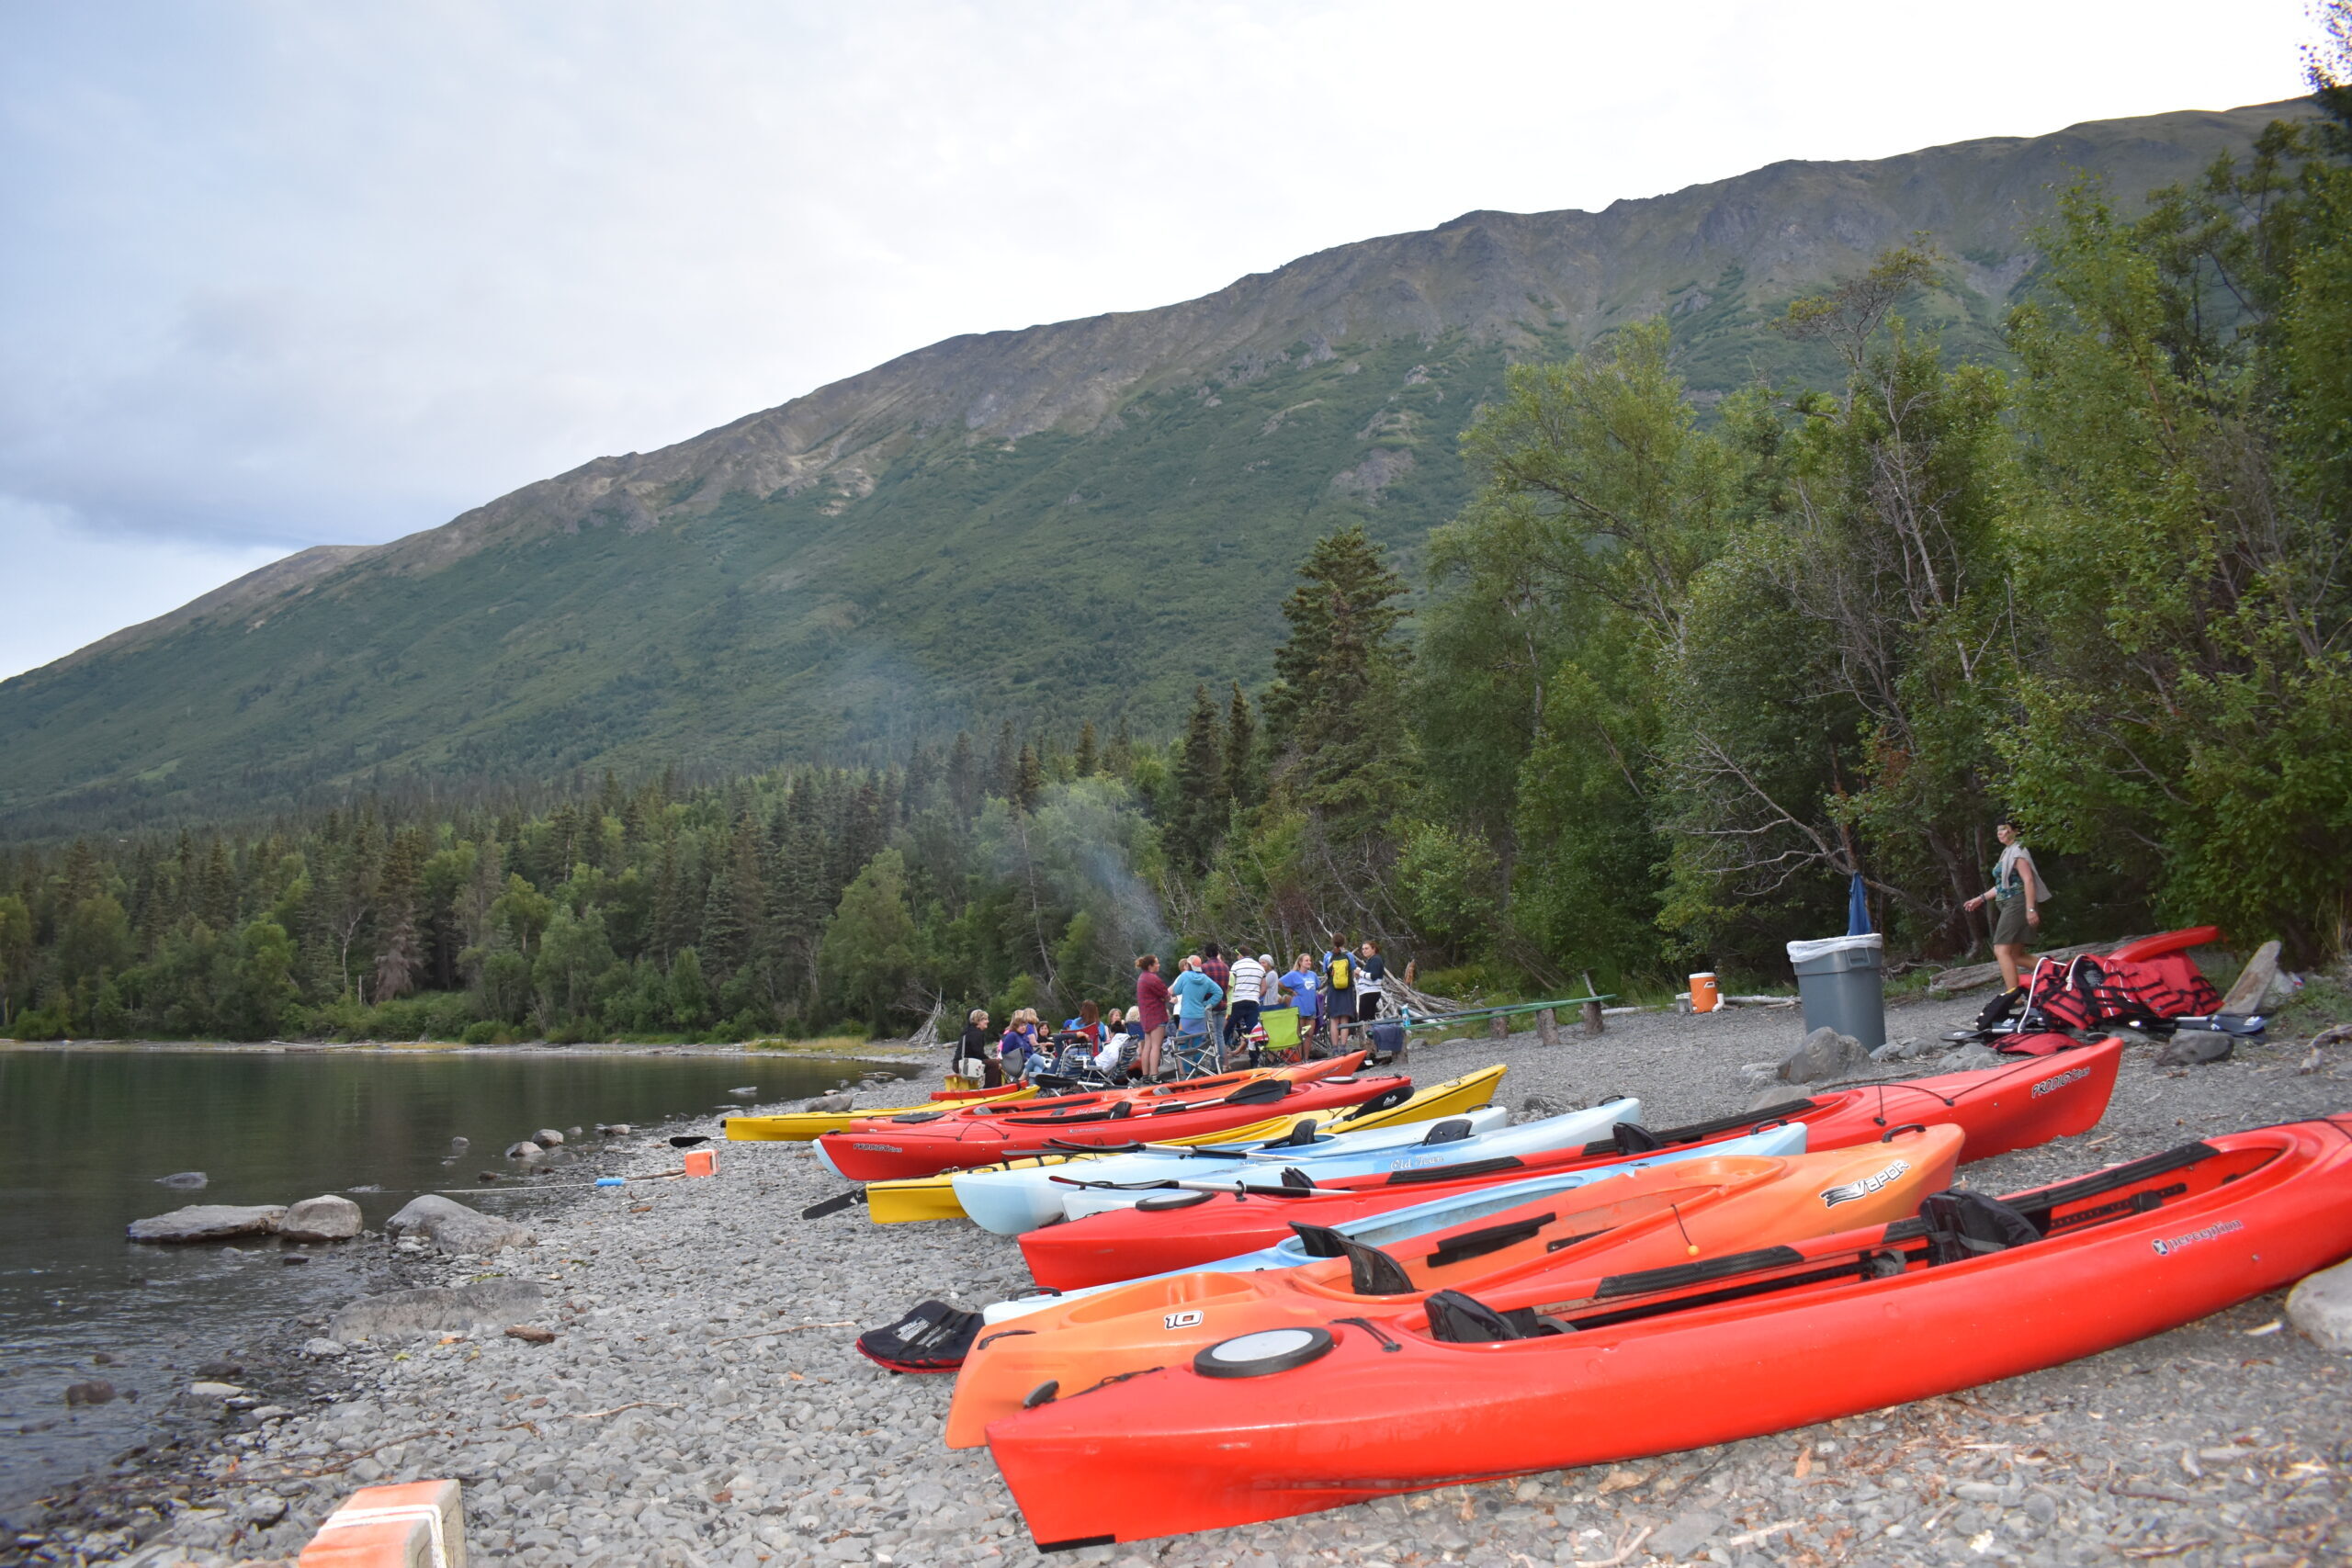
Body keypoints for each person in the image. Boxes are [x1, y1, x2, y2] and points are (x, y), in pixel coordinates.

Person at [1964, 818, 2050, 993]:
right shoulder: (2007, 852)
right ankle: (2061, 973)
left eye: (2004, 829)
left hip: (2017, 903)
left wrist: (2030, 909)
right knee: (2015, 955)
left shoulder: (2018, 851)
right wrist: (1981, 898)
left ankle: (2013, 996)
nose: (2000, 833)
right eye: (1998, 831)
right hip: (2009, 903)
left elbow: (2028, 881)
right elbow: (2003, 884)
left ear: (2015, 831)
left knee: (2001, 950)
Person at [1167, 955, 1226, 1078]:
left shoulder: (1184, 976)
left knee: (1183, 1044)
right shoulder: (1205, 979)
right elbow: (1219, 992)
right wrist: (1206, 1004)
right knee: (1198, 1045)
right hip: (1200, 1016)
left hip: (1186, 1017)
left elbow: (1176, 991)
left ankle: (1188, 1073)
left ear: (1188, 965)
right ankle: (1197, 1068)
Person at [1134, 955, 1172, 1081]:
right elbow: (1166, 995)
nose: (1159, 965)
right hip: (1156, 1016)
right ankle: (1155, 1075)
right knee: (1156, 1046)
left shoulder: (1142, 978)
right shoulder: (1152, 979)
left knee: (1148, 1046)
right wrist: (1170, 998)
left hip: (1146, 1017)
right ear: (1150, 966)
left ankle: (1146, 1076)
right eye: (1157, 963)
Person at [1227, 949, 1266, 1066]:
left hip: (1237, 1000)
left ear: (1240, 955)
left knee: (1227, 1028)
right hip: (1253, 1001)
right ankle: (1255, 1061)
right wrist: (1255, 996)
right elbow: (1264, 987)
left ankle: (1222, 1061)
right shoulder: (1259, 967)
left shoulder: (1236, 965)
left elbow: (1231, 983)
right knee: (1253, 1032)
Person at [1278, 953, 1322, 1056]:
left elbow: (1318, 986)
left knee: (1309, 1034)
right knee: (1299, 1035)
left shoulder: (1313, 975)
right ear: (1300, 962)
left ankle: (1306, 1058)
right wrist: (1291, 991)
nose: (1309, 962)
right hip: (1299, 1007)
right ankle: (1298, 1059)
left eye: (1310, 960)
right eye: (1306, 960)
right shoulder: (1294, 974)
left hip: (1311, 1008)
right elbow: (1279, 982)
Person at [1321, 938, 1355, 1051]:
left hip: (1333, 989)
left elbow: (1326, 971)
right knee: (1345, 1018)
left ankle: (1335, 1048)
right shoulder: (1349, 955)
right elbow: (1353, 971)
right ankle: (1343, 1047)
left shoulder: (1327, 956)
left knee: (1334, 1019)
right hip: (1346, 989)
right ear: (1344, 943)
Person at [1200, 942, 1232, 1055]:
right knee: (1220, 1035)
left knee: (1212, 1036)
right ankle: (1222, 1063)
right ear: (1217, 952)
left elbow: (1202, 988)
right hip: (1223, 1004)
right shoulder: (1225, 967)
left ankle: (1215, 1066)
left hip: (1210, 1005)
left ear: (1206, 954)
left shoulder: (1204, 967)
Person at [957, 1009, 998, 1088]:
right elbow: (978, 1053)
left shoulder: (971, 1031)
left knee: (994, 1063)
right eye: (985, 1019)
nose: (988, 1021)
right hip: (964, 1064)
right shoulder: (976, 1033)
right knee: (994, 1065)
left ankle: (997, 1087)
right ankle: (990, 1089)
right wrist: (991, 1060)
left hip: (963, 1062)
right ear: (977, 1021)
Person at [1353, 940, 1387, 1025]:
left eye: (1367, 948)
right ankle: (1372, 1036)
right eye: (1363, 949)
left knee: (1364, 1020)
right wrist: (1359, 976)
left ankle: (1367, 1037)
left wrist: (1360, 972)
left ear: (1374, 949)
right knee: (1370, 1018)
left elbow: (1373, 976)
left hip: (1370, 992)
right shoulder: (1372, 960)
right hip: (1369, 992)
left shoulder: (1375, 959)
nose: (1364, 950)